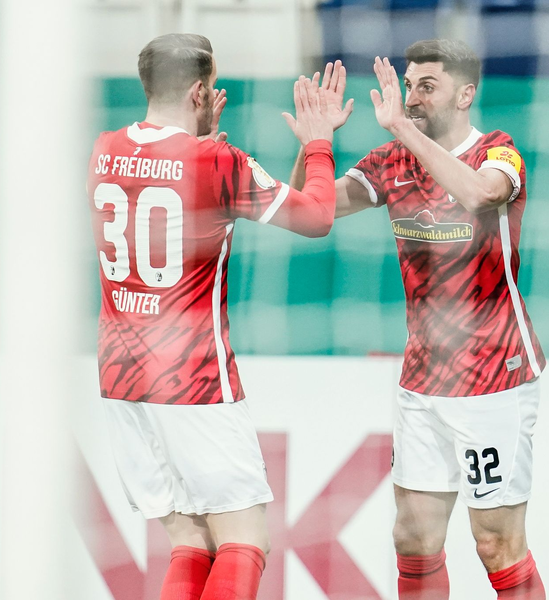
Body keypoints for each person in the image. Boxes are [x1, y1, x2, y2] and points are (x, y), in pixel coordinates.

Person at [290, 41, 546, 599]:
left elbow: (481, 196)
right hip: (423, 378)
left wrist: (402, 129)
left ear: (466, 94)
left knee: (495, 543)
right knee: (412, 537)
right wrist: (316, 142)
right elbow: (311, 214)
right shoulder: (391, 163)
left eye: (426, 86)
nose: (411, 97)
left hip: (493, 377)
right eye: (409, 86)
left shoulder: (499, 153)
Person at [87, 33, 337, 600]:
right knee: (246, 539)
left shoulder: (104, 150)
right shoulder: (216, 160)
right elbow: (318, 215)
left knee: (192, 542)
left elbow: (164, 186)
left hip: (122, 379)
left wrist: (198, 139)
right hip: (192, 377)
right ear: (201, 91)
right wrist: (318, 143)